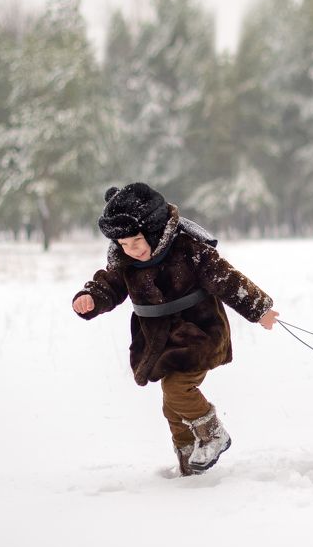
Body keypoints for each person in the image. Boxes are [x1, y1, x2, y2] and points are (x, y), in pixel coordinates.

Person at [72, 183, 278, 476]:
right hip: (157, 338)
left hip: (199, 332)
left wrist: (259, 309)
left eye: (136, 241)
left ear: (154, 231)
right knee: (171, 407)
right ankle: (187, 459)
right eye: (124, 245)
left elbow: (227, 279)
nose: (132, 250)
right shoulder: (125, 261)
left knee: (177, 389)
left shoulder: (187, 248)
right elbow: (109, 284)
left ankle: (213, 434)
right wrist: (92, 298)